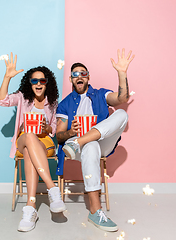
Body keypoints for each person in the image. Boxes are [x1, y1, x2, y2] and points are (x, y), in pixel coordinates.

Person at [56, 48, 135, 232]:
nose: (79, 77)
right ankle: (95, 211)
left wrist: (122, 73)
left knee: (122, 113)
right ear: (71, 79)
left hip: (102, 144)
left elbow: (121, 98)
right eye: (75, 74)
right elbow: (59, 136)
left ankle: (82, 140)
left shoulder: (100, 94)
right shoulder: (65, 103)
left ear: (88, 77)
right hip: (75, 149)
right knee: (90, 145)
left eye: (82, 73)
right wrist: (70, 133)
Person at [0, 53, 66, 232]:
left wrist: (46, 129)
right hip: (23, 139)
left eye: (42, 80)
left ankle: (30, 208)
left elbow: (55, 130)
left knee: (29, 149)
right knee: (28, 136)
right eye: (34, 81)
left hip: (44, 144)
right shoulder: (22, 98)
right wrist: (7, 77)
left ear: (47, 82)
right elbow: (2, 100)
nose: (38, 84)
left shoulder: (53, 103)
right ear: (30, 83)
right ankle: (52, 189)